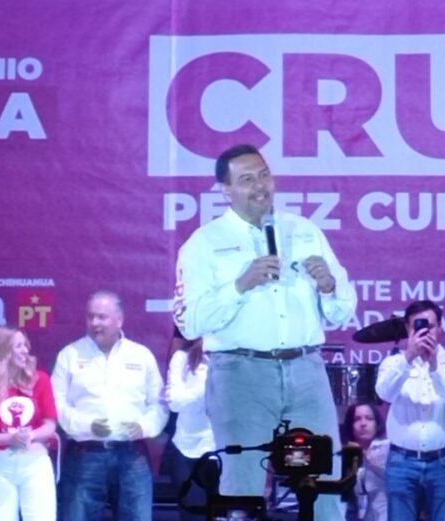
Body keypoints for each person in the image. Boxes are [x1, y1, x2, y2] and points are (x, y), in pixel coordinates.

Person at [173, 144, 357, 520]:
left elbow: (343, 311)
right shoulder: (204, 243)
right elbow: (189, 321)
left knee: (325, 480)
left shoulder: (304, 231)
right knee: (242, 489)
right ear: (225, 190)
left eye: (263, 175)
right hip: (241, 374)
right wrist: (239, 285)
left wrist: (329, 286)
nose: (260, 186)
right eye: (246, 179)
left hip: (306, 369)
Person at [52, 290, 168, 521]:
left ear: (119, 320)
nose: (94, 323)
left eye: (102, 317)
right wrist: (87, 425)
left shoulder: (141, 355)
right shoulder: (70, 354)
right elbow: (56, 403)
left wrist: (144, 426)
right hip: (84, 456)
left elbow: (160, 402)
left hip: (132, 457)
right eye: (90, 316)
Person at [375, 300, 445, 521]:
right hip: (401, 461)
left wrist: (435, 367)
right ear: (408, 329)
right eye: (418, 326)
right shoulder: (393, 363)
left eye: (431, 326)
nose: (425, 332)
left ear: (440, 328)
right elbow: (385, 393)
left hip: (444, 462)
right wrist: (409, 357)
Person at [0, 326, 57, 520]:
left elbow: (50, 426)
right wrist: (9, 438)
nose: (25, 351)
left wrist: (30, 436)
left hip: (35, 463)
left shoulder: (40, 379)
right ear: (3, 350)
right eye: (18, 346)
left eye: (25, 345)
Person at [165, 325, 217, 520]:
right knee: (192, 515)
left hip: (225, 450)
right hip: (188, 449)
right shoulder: (182, 358)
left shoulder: (235, 360)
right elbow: (175, 402)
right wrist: (208, 386)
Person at [341, 402, 389, 521]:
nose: (363, 424)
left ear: (376, 423)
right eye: (357, 419)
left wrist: (365, 455)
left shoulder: (387, 449)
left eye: (369, 418)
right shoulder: (344, 454)